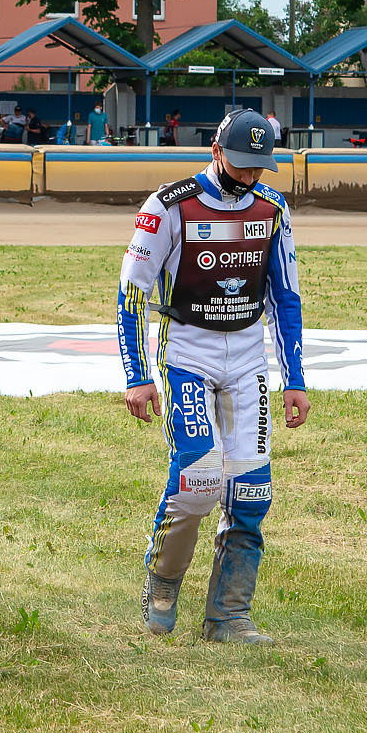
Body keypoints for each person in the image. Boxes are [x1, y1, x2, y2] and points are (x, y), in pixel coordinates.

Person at [118, 109, 308, 642]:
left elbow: (286, 298)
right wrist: (137, 375)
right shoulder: (167, 206)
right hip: (187, 354)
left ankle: (229, 613)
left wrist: (294, 378)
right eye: (241, 164)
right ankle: (162, 584)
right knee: (199, 481)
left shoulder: (273, 210)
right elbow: (132, 292)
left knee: (251, 493)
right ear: (215, 150)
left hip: (248, 359)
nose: (249, 176)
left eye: (259, 168)